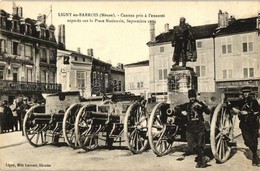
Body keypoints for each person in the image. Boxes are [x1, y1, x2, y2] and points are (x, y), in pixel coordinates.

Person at [174, 89, 211, 168]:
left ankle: (201, 162)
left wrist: (202, 107)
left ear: (195, 96)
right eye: (190, 97)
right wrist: (181, 112)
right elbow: (177, 107)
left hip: (199, 126)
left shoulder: (200, 104)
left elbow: (208, 111)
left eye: (193, 97)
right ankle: (203, 158)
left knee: (200, 145)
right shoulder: (187, 105)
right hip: (190, 128)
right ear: (189, 97)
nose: (192, 99)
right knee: (191, 145)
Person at [231, 86, 260, 166]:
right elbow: (233, 107)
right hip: (244, 125)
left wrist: (248, 113)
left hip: (253, 124)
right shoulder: (240, 102)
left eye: (247, 92)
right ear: (243, 94)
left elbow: (258, 111)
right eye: (244, 93)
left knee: (254, 141)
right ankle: (255, 155)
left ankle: (255, 157)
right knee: (247, 142)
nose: (246, 94)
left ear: (249, 93)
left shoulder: (254, 102)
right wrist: (236, 110)